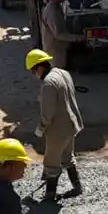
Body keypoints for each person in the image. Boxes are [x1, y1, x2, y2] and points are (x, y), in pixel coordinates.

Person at [26, 48, 85, 200]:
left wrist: (40, 129)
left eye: (34, 72)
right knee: (67, 156)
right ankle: (77, 187)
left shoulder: (48, 84)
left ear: (39, 67)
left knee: (51, 162)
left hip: (58, 129)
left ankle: (50, 196)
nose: (35, 75)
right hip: (72, 124)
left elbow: (48, 114)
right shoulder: (63, 73)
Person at [39, 0, 85, 70]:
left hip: (59, 48)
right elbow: (58, 34)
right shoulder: (51, 11)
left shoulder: (56, 7)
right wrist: (78, 38)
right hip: (55, 51)